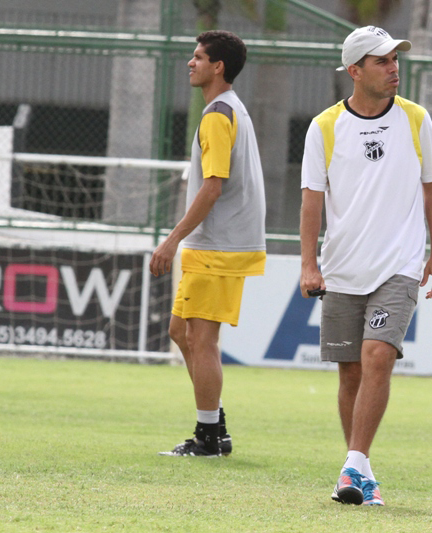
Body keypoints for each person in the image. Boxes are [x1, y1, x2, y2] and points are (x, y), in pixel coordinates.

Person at [299, 25, 432, 505]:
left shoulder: (416, 119)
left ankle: (352, 465)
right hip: (341, 270)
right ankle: (360, 472)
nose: (394, 67)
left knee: (378, 356)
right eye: (383, 60)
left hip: (398, 267)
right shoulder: (323, 126)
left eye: (395, 59)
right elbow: (311, 200)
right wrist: (308, 264)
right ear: (355, 70)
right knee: (349, 374)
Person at [150, 30, 266, 457]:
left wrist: (170, 240)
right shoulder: (227, 110)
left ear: (219, 67)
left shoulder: (219, 115)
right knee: (180, 332)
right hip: (215, 243)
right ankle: (214, 424)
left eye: (198, 57)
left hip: (221, 244)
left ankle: (210, 438)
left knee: (202, 339)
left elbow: (213, 187)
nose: (190, 62)